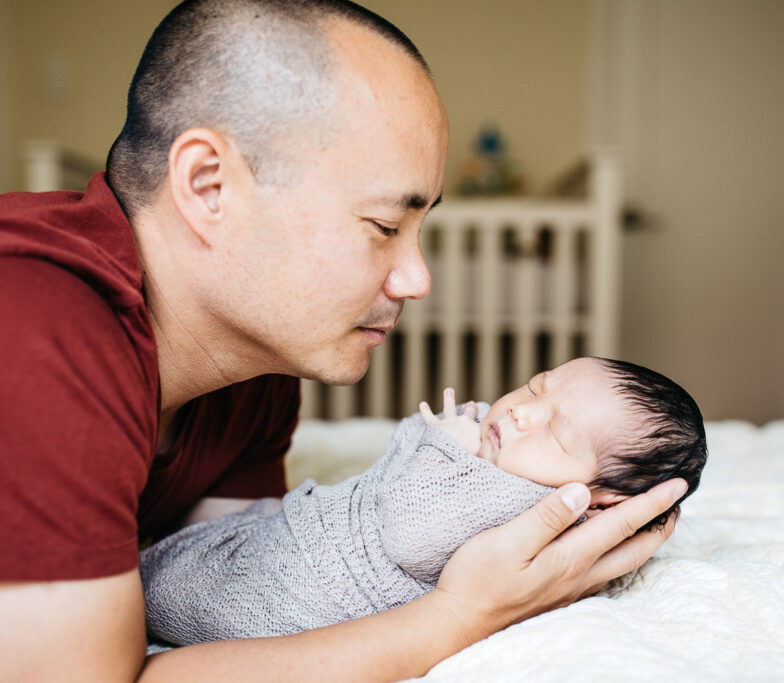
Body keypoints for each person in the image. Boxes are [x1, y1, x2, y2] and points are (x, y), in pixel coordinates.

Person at [0, 1, 687, 680]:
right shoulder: (38, 324)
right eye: (386, 226)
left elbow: (236, 593)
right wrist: (463, 613)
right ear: (209, 187)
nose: (418, 279)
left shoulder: (254, 370)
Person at [140, 357, 707, 645]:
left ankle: (148, 580)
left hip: (288, 598)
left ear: (599, 506)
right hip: (297, 538)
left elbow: (409, 532)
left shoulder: (526, 504)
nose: (521, 411)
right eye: (537, 386)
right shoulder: (508, 459)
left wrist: (444, 445)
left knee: (181, 581)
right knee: (223, 540)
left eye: (555, 433)